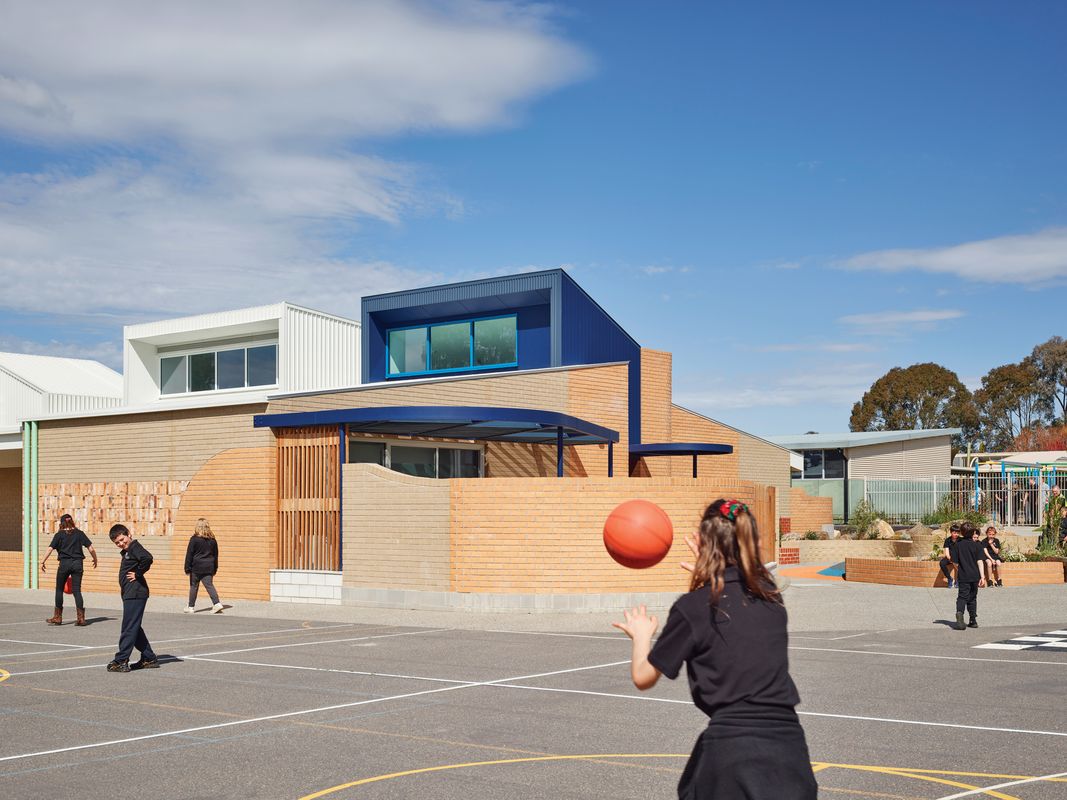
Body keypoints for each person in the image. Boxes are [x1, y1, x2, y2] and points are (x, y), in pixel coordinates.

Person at [612, 499, 818, 800]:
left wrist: (642, 635)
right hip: (790, 754)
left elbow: (643, 676)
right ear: (751, 541)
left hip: (731, 755)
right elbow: (748, 582)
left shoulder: (694, 608)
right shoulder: (772, 599)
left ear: (706, 546)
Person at [106, 524, 158, 673]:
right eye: (117, 543)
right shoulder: (128, 551)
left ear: (129, 534)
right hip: (131, 594)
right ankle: (149, 658)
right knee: (134, 627)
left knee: (129, 627)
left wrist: (138, 573)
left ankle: (121, 660)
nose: (121, 543)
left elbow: (147, 558)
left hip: (136, 593)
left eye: (122, 539)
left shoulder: (135, 547)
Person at [39, 513, 97, 626]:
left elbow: (50, 549)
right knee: (77, 590)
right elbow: (91, 548)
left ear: (61, 523)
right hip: (77, 564)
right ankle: (81, 619)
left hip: (64, 563)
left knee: (59, 589)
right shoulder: (79, 534)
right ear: (72, 521)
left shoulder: (59, 535)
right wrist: (95, 559)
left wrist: (42, 561)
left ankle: (58, 617)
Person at [952, 522, 988, 631]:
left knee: (962, 597)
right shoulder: (977, 545)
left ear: (961, 532)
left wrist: (960, 570)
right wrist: (982, 577)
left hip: (963, 576)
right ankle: (973, 620)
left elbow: (955, 562)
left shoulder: (957, 545)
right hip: (975, 576)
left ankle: (960, 614)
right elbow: (980, 562)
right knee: (972, 598)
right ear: (973, 532)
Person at [184, 517, 223, 614]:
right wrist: (215, 568)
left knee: (194, 586)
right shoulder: (212, 540)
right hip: (209, 566)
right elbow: (215, 555)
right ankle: (217, 603)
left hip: (196, 566)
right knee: (209, 586)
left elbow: (189, 554)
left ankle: (191, 607)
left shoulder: (194, 539)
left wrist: (187, 568)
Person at [939, 524, 961, 588]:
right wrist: (952, 560)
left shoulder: (961, 540)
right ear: (951, 532)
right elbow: (947, 552)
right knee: (942, 563)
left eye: (957, 533)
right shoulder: (947, 540)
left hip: (959, 557)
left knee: (962, 565)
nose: (956, 534)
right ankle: (949, 578)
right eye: (954, 533)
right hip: (950, 557)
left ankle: (958, 580)